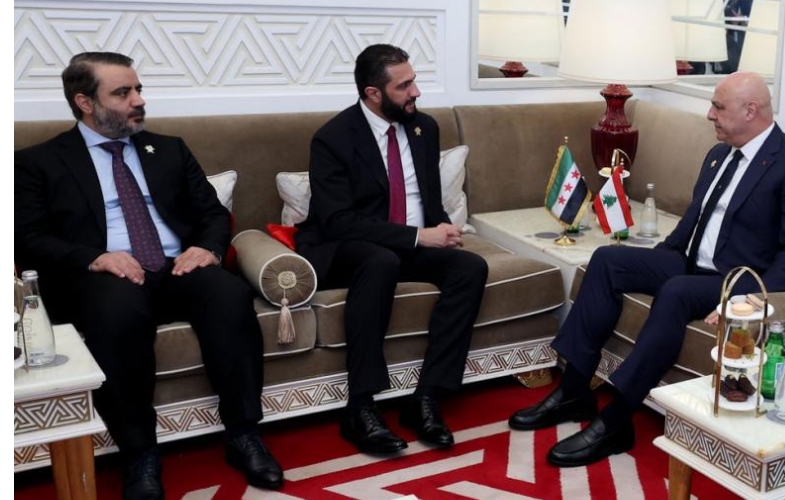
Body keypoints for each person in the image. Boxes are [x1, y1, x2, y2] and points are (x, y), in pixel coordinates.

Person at [508, 72, 785, 467]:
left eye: (718, 107)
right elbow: (694, 220)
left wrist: (750, 301)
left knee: (676, 291)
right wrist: (652, 262)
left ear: (751, 111)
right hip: (687, 261)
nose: (710, 114)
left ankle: (617, 419)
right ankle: (574, 391)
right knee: (608, 260)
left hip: (733, 281)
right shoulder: (719, 154)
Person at [14, 52, 283, 500]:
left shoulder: (169, 148)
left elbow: (212, 214)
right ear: (85, 102)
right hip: (106, 275)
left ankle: (243, 433)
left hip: (177, 267)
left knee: (228, 294)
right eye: (122, 93)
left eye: (138, 89)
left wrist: (208, 249)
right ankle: (139, 453)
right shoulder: (38, 162)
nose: (138, 100)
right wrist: (95, 257)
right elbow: (27, 238)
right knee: (115, 311)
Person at [295, 44, 488, 453]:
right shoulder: (333, 138)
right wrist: (418, 238)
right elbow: (338, 221)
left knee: (470, 268)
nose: (416, 92)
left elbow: (428, 200)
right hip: (346, 246)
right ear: (373, 93)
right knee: (380, 261)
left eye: (414, 81)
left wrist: (442, 229)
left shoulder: (423, 128)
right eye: (404, 86)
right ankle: (360, 406)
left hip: (408, 243)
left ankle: (426, 397)